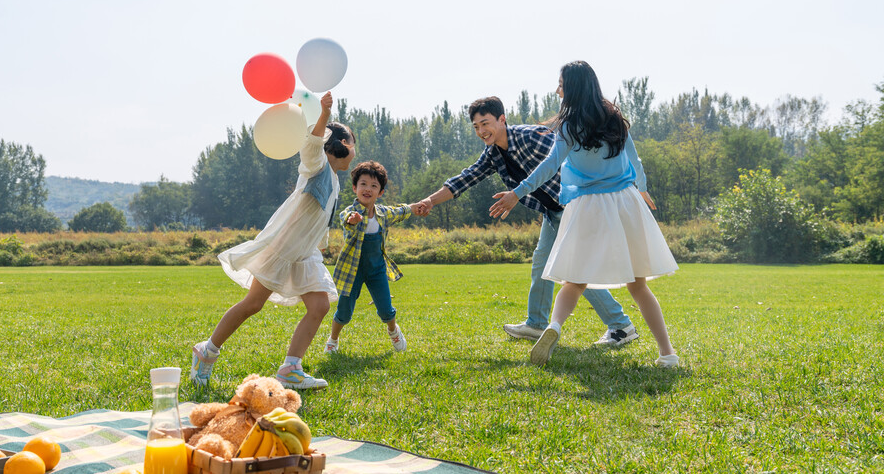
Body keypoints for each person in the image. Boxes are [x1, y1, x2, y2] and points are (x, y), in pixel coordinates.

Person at [489, 61, 679, 368]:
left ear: (573, 87)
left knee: (574, 280)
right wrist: (642, 189)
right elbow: (635, 160)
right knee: (638, 285)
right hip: (625, 202)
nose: (557, 89)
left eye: (561, 84)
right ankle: (667, 354)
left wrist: (517, 192)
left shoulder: (567, 126)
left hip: (588, 206)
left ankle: (554, 326)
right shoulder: (614, 118)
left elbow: (549, 167)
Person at [416, 96, 638, 347]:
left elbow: (562, 162)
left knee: (575, 271)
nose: (481, 131)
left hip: (574, 207)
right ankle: (536, 324)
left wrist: (517, 194)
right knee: (543, 264)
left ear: (502, 119)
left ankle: (620, 326)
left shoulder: (531, 136)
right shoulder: (493, 155)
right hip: (552, 212)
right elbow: (466, 178)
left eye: (485, 123)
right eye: (476, 127)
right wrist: (431, 201)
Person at [190, 92, 354, 390]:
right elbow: (312, 144)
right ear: (342, 145)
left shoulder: (333, 177)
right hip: (283, 249)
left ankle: (291, 368)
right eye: (353, 143)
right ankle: (207, 351)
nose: (355, 150)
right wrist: (323, 116)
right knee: (252, 304)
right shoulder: (317, 166)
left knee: (319, 307)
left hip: (304, 255)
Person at [325, 160, 417, 355]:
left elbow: (401, 211)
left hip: (376, 270)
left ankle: (393, 332)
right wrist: (354, 220)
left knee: (386, 309)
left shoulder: (382, 214)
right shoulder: (349, 213)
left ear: (380, 192)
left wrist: (418, 206)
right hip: (353, 271)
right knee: (343, 312)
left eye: (374, 186)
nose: (368, 189)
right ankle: (333, 340)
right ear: (355, 188)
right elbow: (346, 220)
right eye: (363, 184)